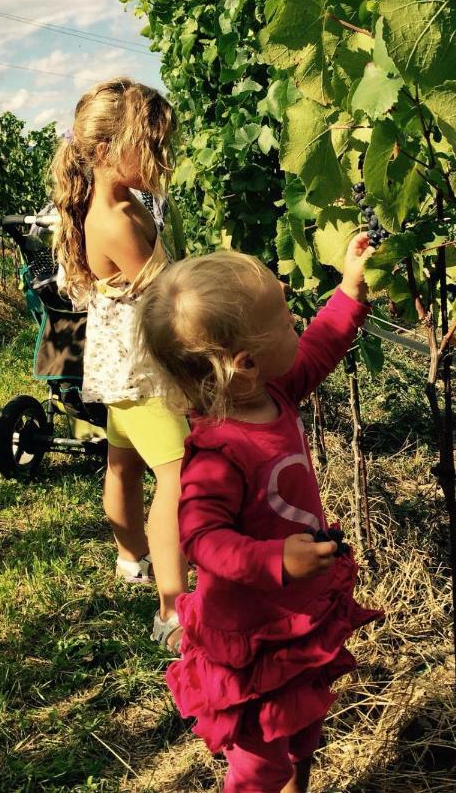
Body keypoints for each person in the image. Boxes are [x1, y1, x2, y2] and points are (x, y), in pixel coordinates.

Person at [137, 237, 383, 792]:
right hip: (251, 634)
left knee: (300, 735)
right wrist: (274, 559)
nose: (297, 322)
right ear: (244, 364)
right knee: (259, 763)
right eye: (285, 320)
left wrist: (349, 292)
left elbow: (319, 347)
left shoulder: (276, 392)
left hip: (293, 616)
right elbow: (201, 538)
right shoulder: (217, 453)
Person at [51, 78, 188, 651]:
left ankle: (130, 558)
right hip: (145, 370)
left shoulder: (104, 204)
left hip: (115, 368)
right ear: (106, 151)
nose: (162, 155)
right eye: (150, 142)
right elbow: (170, 294)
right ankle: (173, 607)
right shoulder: (122, 221)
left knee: (122, 466)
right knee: (180, 479)